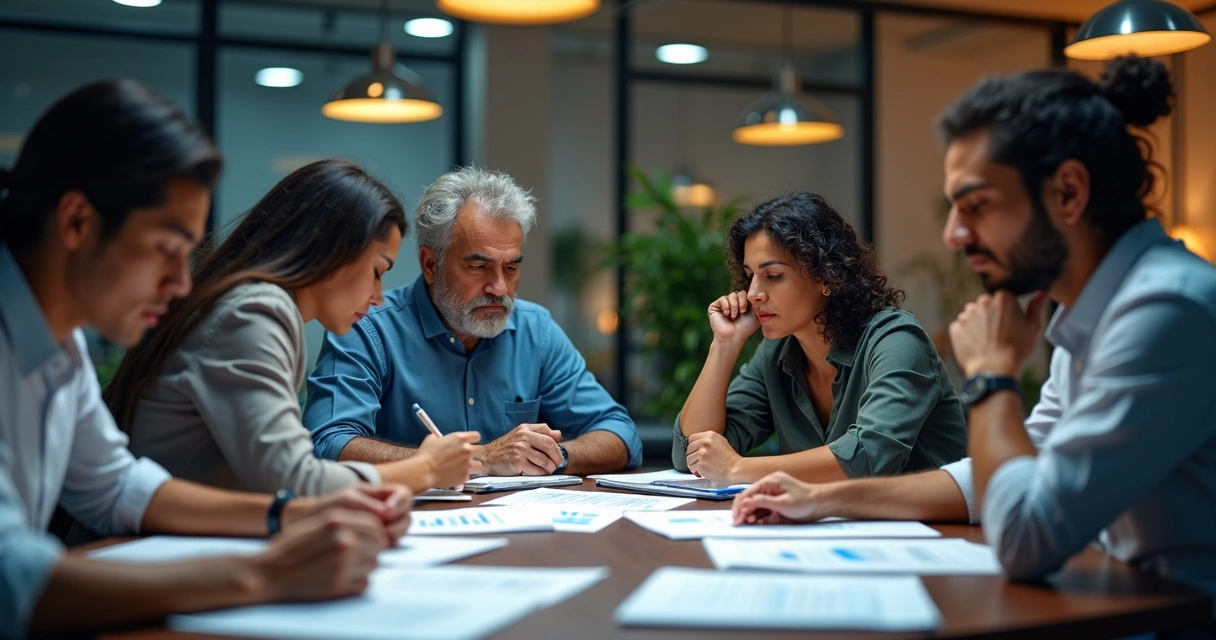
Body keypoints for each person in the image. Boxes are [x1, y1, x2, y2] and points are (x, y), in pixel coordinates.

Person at [731, 56, 1216, 604]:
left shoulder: (1164, 309)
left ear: (1068, 194)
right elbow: (998, 482)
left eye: (976, 206)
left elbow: (1025, 538)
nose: (953, 235)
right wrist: (820, 501)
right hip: (1115, 601)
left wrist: (991, 375)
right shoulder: (1092, 312)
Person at [0, 80, 410, 637]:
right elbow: (10, 579)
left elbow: (116, 485)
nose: (180, 283)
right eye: (166, 249)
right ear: (76, 223)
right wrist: (262, 574)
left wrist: (285, 515)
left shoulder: (62, 342)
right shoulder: (260, 309)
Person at [104, 159, 479, 498]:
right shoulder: (255, 312)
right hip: (138, 548)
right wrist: (426, 468)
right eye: (377, 271)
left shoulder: (253, 304)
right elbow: (292, 479)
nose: (379, 296)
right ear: (334, 251)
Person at [304, 167, 641, 475]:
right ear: (430, 265)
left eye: (511, 268)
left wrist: (554, 455)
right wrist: (481, 459)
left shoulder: (535, 330)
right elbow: (328, 443)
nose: (499, 288)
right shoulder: (367, 327)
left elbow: (622, 434)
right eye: (478, 267)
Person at [674, 193, 967, 483]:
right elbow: (692, 453)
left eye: (773, 275)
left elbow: (867, 458)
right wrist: (724, 345)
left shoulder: (897, 340)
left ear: (827, 277)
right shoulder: (775, 354)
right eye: (750, 276)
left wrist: (736, 468)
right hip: (836, 526)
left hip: (932, 527)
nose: (753, 294)